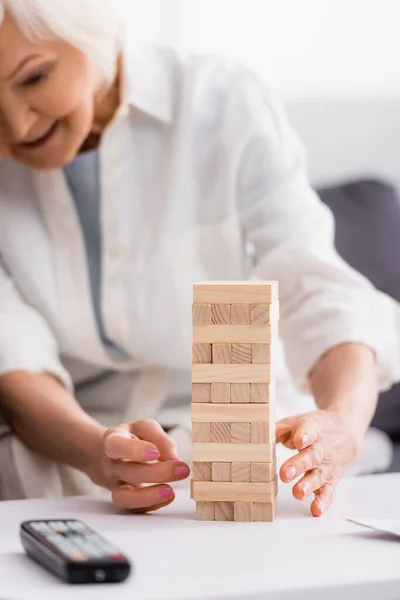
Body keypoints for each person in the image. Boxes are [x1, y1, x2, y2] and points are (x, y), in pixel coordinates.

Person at [0, 0, 398, 515]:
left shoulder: (222, 103)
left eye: (33, 77)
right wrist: (94, 451)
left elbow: (317, 289)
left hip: (248, 431)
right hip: (71, 442)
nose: (15, 122)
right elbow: (13, 357)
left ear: (89, 28)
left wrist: (342, 425)